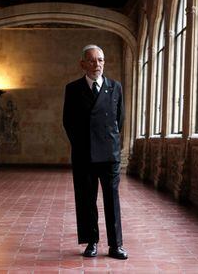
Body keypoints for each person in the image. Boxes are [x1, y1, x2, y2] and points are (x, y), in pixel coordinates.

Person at [62, 44, 127, 259]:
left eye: (100, 60)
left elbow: (119, 119)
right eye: (91, 60)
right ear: (82, 64)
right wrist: (81, 145)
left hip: (109, 155)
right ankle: (91, 242)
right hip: (84, 155)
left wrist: (111, 144)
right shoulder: (72, 89)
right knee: (86, 200)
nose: (96, 64)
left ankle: (115, 245)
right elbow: (68, 122)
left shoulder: (115, 87)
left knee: (112, 200)